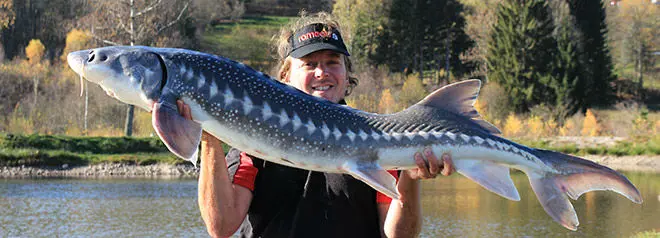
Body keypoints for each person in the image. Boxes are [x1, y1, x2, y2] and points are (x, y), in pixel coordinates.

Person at [177, 12, 455, 238]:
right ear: (285, 77)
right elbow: (221, 226)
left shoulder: (379, 138)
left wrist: (410, 177)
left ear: (347, 76)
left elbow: (399, 236)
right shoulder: (252, 142)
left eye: (332, 62)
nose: (322, 72)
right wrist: (208, 131)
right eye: (309, 64)